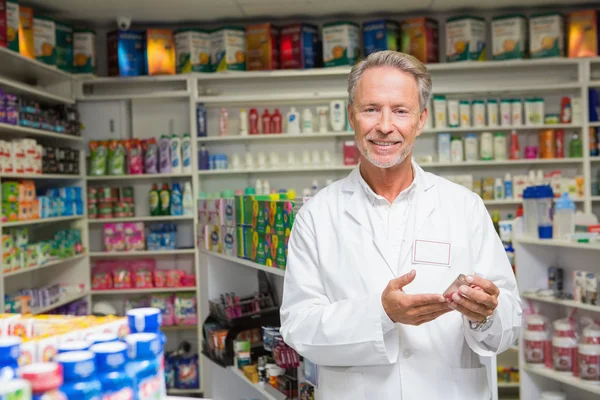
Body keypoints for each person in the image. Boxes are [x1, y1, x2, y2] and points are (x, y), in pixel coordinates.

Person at [280, 50, 522, 400]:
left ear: (420, 120)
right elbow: (299, 327)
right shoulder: (317, 216)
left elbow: (509, 320)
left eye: (400, 110)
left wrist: (485, 315)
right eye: (370, 109)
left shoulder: (464, 207)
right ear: (352, 116)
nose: (384, 125)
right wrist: (382, 314)